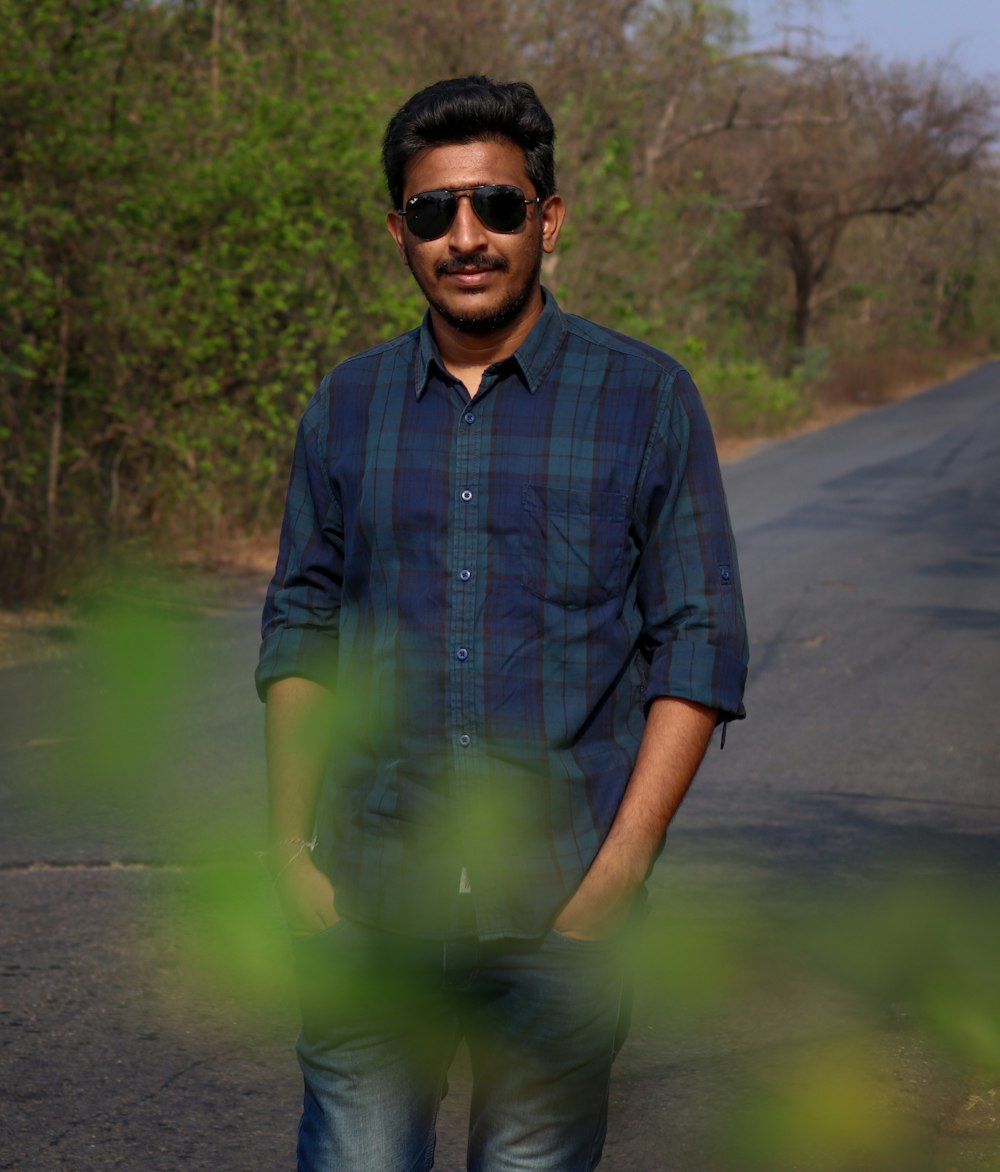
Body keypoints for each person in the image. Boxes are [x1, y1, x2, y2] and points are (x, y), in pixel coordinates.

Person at [256, 74, 749, 1172]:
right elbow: (301, 624)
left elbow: (698, 639)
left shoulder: (646, 399)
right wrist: (290, 851)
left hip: (560, 905)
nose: (465, 236)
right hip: (369, 900)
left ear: (548, 216)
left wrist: (612, 883)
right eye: (433, 212)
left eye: (497, 205)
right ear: (398, 230)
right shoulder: (345, 405)